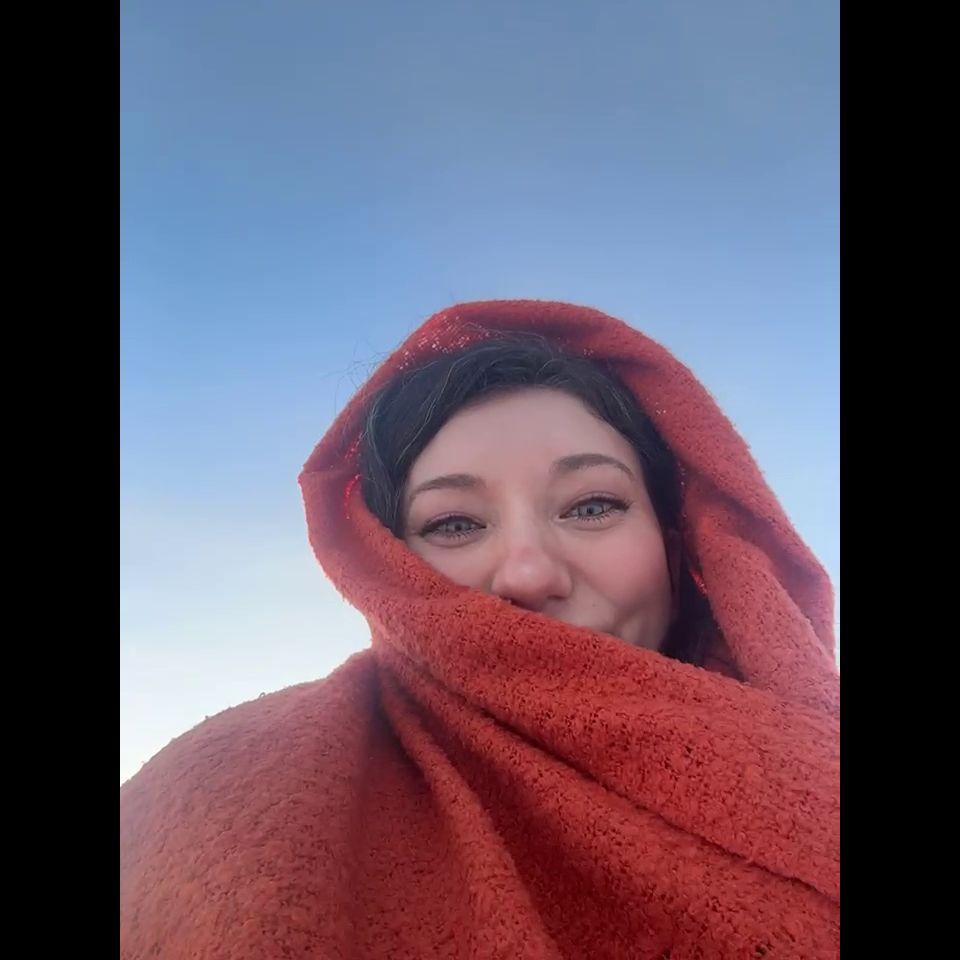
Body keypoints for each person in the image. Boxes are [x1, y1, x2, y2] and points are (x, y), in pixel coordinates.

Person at [120, 300, 840, 960]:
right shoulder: (214, 799)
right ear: (386, 567)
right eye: (455, 523)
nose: (527, 573)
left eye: (591, 506)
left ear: (677, 549)